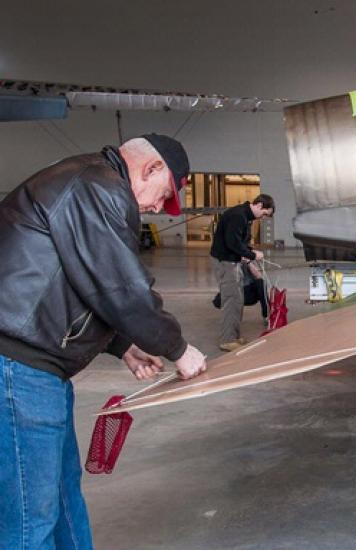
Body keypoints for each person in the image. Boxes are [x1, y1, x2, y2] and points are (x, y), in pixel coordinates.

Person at [0, 133, 208, 549]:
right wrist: (179, 349)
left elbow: (74, 281)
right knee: (29, 522)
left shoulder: (86, 181)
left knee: (62, 499)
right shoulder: (94, 186)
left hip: (39, 373)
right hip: (17, 370)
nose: (154, 209)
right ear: (150, 169)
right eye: (161, 196)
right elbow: (121, 287)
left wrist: (120, 345)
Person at [210, 194, 274, 351]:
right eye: (264, 213)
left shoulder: (245, 216)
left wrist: (249, 252)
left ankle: (234, 337)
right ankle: (227, 340)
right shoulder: (238, 216)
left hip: (233, 261)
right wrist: (252, 255)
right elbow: (232, 243)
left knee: (237, 300)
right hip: (226, 263)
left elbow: (239, 241)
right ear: (259, 205)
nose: (263, 217)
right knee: (231, 301)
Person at [211, 259, 269, 324]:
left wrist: (248, 262)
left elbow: (259, 276)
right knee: (218, 301)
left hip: (250, 292)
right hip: (235, 291)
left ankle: (266, 315)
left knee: (261, 283)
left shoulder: (249, 257)